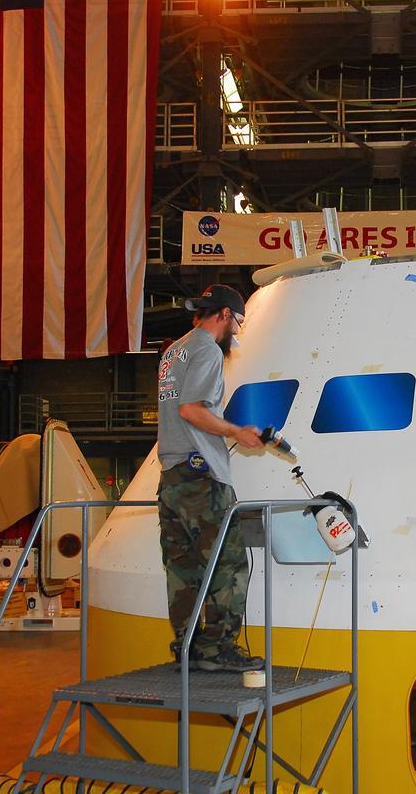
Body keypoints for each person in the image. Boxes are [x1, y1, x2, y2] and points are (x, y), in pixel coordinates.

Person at [157, 284, 266, 672]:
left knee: (183, 568)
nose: (237, 330)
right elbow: (191, 410)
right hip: (202, 475)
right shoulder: (205, 349)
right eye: (238, 322)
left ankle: (187, 648)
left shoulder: (174, 351)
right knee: (229, 562)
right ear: (223, 315)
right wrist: (237, 432)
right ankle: (217, 649)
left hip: (171, 475)